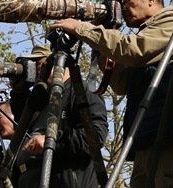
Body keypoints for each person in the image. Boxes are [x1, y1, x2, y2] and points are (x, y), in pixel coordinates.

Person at [51, 0, 173, 188]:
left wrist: (83, 29)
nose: (123, 9)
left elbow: (133, 50)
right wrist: (100, 42)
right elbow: (122, 84)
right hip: (149, 134)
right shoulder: (147, 34)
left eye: (127, 1)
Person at [10, 42, 108, 188]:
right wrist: (18, 91)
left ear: (57, 61)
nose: (35, 70)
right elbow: (22, 123)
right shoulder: (43, 97)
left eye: (39, 64)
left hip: (64, 180)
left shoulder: (81, 92)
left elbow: (96, 136)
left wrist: (52, 140)